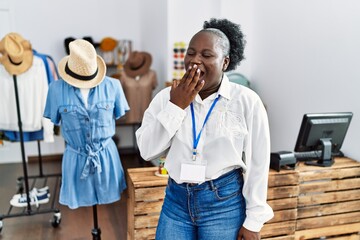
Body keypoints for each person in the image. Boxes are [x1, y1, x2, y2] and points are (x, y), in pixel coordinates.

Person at [135, 18, 274, 239]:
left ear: (225, 62)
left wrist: (254, 221)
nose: (195, 61)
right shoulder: (166, 98)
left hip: (224, 204)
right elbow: (146, 150)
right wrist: (176, 106)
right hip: (176, 202)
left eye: (206, 55)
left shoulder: (247, 101)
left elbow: (258, 163)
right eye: (190, 53)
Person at [44, 39, 129, 209]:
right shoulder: (55, 89)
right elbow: (54, 119)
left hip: (106, 157)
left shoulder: (113, 86)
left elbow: (119, 113)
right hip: (75, 159)